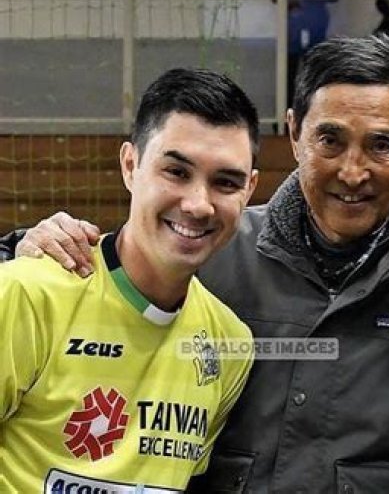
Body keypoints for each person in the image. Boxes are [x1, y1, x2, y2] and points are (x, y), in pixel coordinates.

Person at [3, 34, 389, 492]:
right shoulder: (210, 248)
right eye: (330, 140)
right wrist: (17, 248)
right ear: (293, 133)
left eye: (380, 144)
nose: (352, 172)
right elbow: (107, 273)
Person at [0, 68, 259, 490]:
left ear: (248, 191)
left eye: (225, 182)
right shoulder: (25, 294)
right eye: (176, 172)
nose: (198, 204)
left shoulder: (230, 344)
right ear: (130, 165)